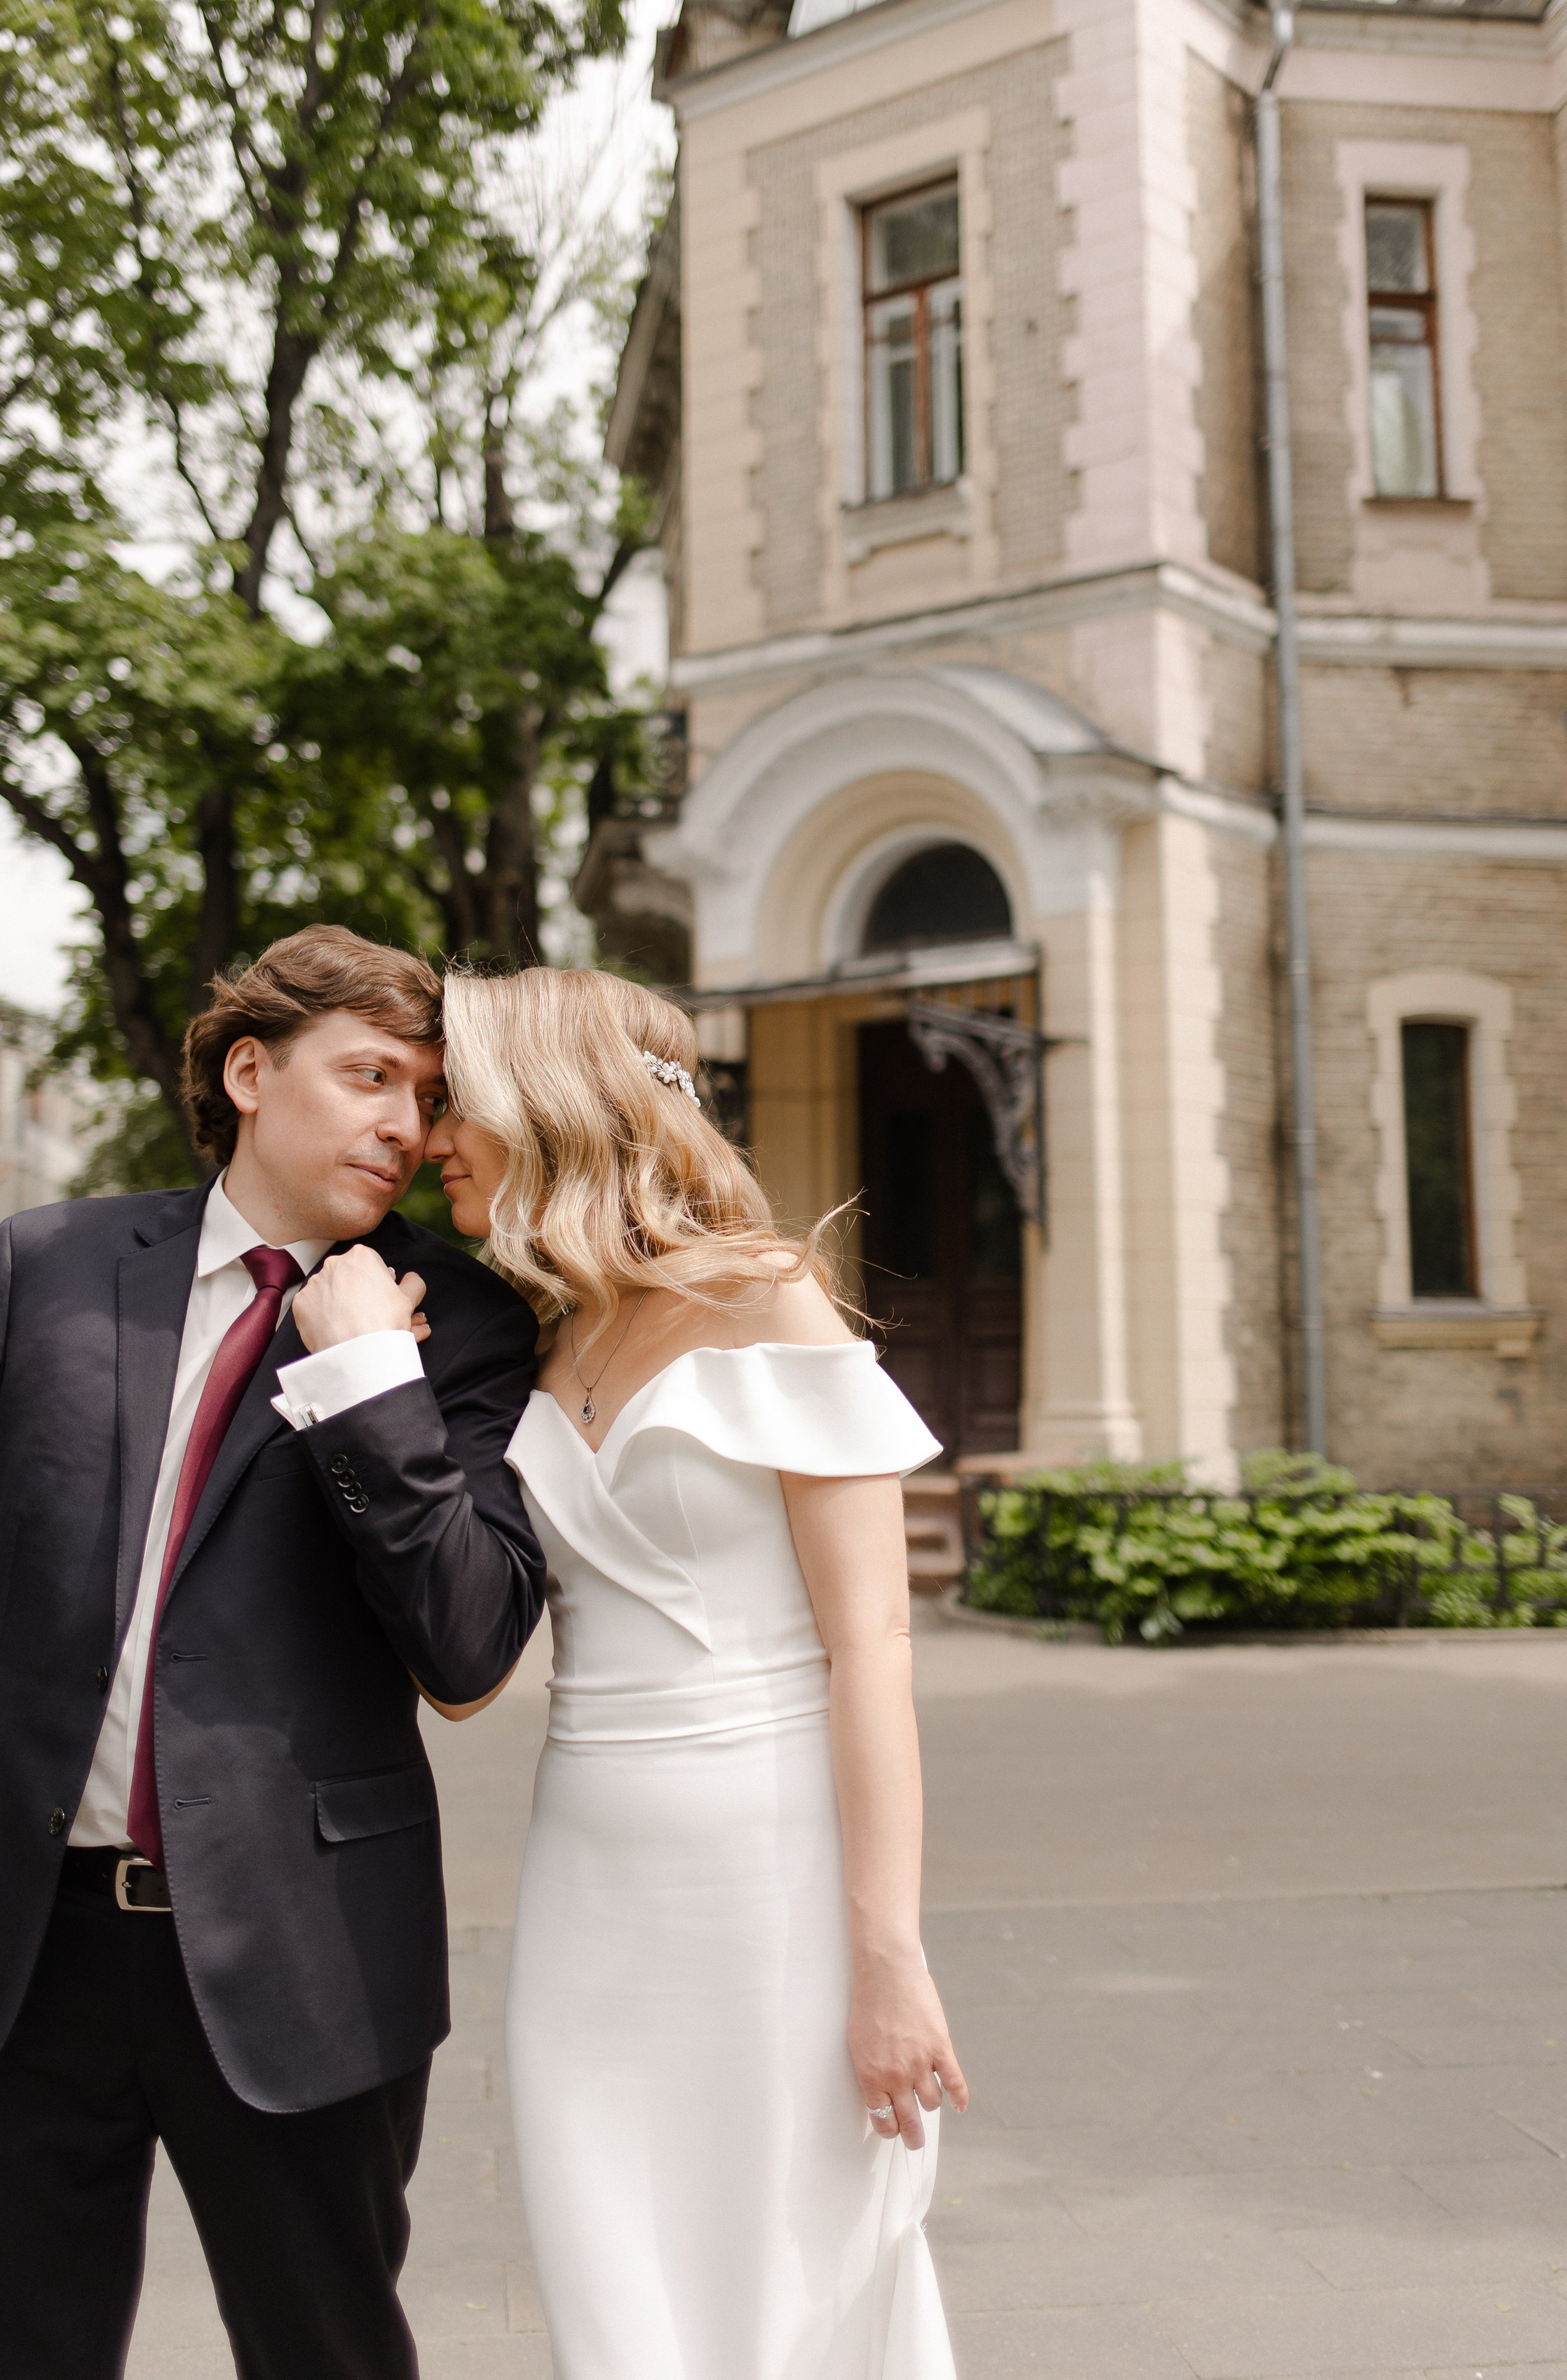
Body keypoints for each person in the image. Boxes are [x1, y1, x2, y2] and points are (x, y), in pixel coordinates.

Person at [0, 925, 545, 2380]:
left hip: (302, 1944)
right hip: (20, 1945)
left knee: (323, 2352)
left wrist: (363, 1383)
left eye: (424, 1093)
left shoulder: (460, 1328)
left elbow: (466, 1644)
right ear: (251, 1070)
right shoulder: (51, 1268)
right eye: (369, 1078)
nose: (406, 1123)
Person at [297, 963, 968, 2378]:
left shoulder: (768, 1301)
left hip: (767, 1868)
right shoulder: (530, 1336)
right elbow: (465, 1634)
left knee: (784, 2276)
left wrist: (887, 1958)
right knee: (610, 2275)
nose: (426, 1143)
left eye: (450, 1107)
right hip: (585, 1880)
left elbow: (873, 1651)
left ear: (544, 1106)